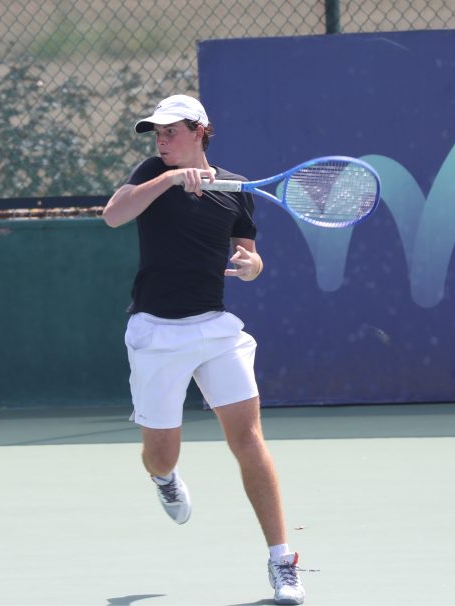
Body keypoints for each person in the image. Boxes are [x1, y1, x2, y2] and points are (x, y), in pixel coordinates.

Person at [102, 94, 306, 606]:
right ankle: (164, 477)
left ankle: (282, 560)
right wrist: (170, 179)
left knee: (249, 438)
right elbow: (113, 215)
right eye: (157, 133)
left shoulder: (235, 189)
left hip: (215, 329)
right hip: (156, 331)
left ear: (200, 131)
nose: (161, 140)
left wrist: (251, 267)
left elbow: (249, 256)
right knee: (161, 454)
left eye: (171, 131)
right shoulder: (153, 173)